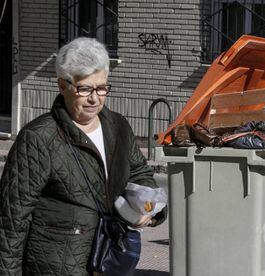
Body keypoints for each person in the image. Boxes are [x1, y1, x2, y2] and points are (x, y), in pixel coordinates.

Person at [0, 37, 166, 275]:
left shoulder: (118, 126)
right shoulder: (38, 138)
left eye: (101, 88)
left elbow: (139, 171)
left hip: (109, 259)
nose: (94, 98)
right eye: (84, 88)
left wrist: (149, 208)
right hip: (56, 266)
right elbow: (11, 222)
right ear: (62, 86)